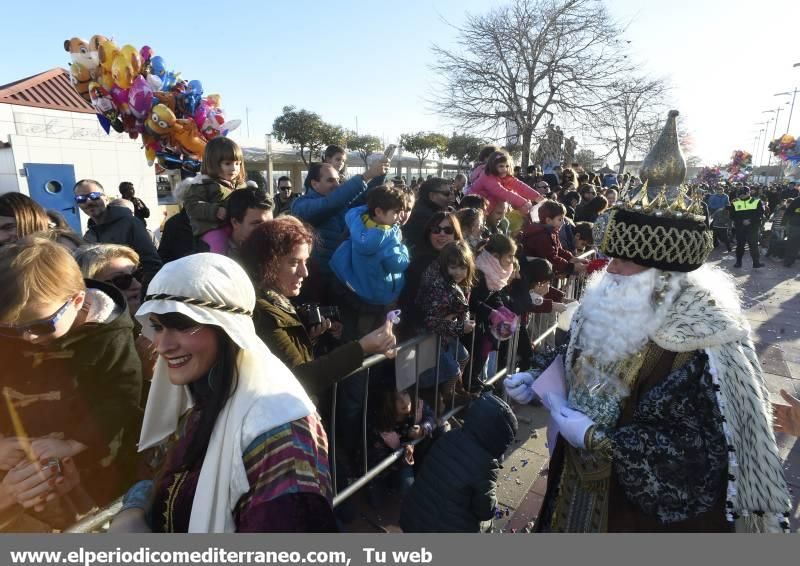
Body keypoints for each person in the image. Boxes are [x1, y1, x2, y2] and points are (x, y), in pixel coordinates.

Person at [504, 115, 790, 531]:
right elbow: (574, 349)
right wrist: (536, 375)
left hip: (630, 513)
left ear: (663, 271)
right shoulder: (609, 297)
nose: (609, 268)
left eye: (621, 259)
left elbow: (692, 458)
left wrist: (599, 441)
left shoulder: (703, 338)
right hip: (573, 481)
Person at [109, 253, 336, 533]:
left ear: (228, 330)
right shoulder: (205, 395)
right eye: (157, 326)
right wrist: (136, 504)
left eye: (183, 325)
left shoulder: (277, 435)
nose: (163, 345)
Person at [0, 237, 143, 531]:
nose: (28, 337)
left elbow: (122, 397)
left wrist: (72, 443)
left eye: (41, 325)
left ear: (77, 301)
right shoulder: (16, 330)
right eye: (11, 330)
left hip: (95, 464)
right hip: (19, 468)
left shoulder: (108, 336)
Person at [241, 216, 396, 401]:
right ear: (267, 262)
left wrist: (308, 337)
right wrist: (361, 347)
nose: (304, 272)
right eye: (293, 262)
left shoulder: (275, 299)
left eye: (305, 262)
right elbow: (300, 378)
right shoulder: (261, 312)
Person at [399, 392, 518, 532]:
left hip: (411, 520)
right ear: (500, 438)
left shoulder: (449, 437)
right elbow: (485, 512)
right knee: (487, 524)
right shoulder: (486, 465)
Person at [290, 158, 390, 299]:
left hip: (340, 279)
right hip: (315, 281)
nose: (337, 185)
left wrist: (379, 174)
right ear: (314, 184)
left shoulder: (340, 204)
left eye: (338, 180)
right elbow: (329, 204)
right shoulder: (301, 205)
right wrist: (367, 175)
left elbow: (365, 199)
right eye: (330, 180)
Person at [73, 244, 157, 388]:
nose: (136, 284)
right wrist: (139, 372)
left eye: (138, 274)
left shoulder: (153, 322)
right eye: (122, 281)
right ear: (93, 290)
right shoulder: (87, 345)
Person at [416, 241, 476, 411]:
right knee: (452, 370)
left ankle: (454, 390)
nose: (458, 272)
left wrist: (462, 320)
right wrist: (459, 327)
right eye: (453, 267)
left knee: (463, 357)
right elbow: (430, 320)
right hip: (431, 336)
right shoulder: (438, 286)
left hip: (446, 334)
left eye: (463, 268)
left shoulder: (458, 284)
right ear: (444, 266)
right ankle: (447, 397)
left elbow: (462, 306)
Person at [330, 185, 410, 307]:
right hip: (380, 295)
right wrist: (402, 245)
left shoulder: (358, 220)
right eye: (397, 212)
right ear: (378, 211)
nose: (400, 216)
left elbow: (353, 212)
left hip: (359, 289)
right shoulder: (388, 238)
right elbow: (397, 265)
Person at [73, 179, 162, 283]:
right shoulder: (89, 235)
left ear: (105, 198)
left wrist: (142, 294)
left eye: (94, 196)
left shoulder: (130, 224)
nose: (88, 201)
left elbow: (152, 265)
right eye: (81, 199)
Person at [397, 212, 463, 336]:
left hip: (448, 332)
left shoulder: (464, 260)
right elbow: (410, 303)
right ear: (429, 233)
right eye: (436, 230)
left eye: (448, 230)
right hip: (421, 332)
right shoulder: (419, 263)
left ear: (456, 234)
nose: (442, 234)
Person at [366, 388, 436, 505]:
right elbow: (378, 461)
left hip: (414, 455)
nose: (404, 401)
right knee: (378, 502)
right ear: (388, 404)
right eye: (396, 399)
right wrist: (402, 455)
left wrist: (423, 428)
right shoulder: (382, 429)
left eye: (405, 393)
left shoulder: (417, 406)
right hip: (392, 468)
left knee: (439, 433)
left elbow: (431, 416)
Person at [182, 137, 247, 254]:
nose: (234, 168)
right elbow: (192, 206)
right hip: (213, 229)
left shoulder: (242, 186)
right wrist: (215, 211)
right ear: (213, 164)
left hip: (236, 228)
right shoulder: (202, 184)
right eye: (228, 163)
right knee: (219, 249)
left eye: (237, 164)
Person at [520, 200, 588, 277]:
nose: (563, 223)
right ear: (548, 220)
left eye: (563, 219)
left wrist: (573, 258)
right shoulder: (541, 235)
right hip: (532, 273)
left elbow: (559, 250)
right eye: (560, 219)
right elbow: (551, 258)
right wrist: (571, 267)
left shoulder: (552, 232)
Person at [468, 150, 543, 217]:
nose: (505, 169)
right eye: (501, 166)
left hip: (490, 210)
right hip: (474, 208)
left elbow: (520, 186)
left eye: (507, 166)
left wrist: (538, 197)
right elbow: (502, 192)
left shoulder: (505, 177)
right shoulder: (487, 177)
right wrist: (524, 203)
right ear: (493, 166)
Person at [402, 177, 455, 251]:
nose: (451, 197)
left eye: (451, 192)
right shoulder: (423, 216)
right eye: (446, 194)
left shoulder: (426, 209)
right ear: (432, 196)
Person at [221, 187, 273, 261]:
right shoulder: (220, 257)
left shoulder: (275, 251)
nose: (266, 230)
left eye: (269, 224)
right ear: (235, 222)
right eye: (257, 223)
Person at [730, 186, 764, 268]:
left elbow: (760, 214)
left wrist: (750, 220)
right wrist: (741, 221)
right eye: (740, 194)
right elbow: (732, 216)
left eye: (743, 194)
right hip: (740, 227)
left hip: (753, 227)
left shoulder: (756, 201)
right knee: (740, 246)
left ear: (748, 193)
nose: (741, 196)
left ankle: (756, 263)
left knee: (753, 245)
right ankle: (738, 262)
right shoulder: (735, 202)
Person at [782, 191, 800, 267]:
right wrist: (784, 224)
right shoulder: (797, 200)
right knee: (793, 243)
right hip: (796, 226)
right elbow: (788, 212)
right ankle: (789, 260)